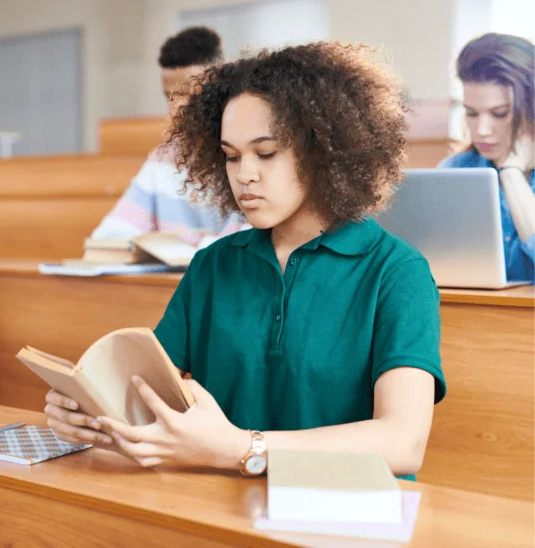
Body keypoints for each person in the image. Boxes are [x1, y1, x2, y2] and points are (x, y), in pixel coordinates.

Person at [44, 42, 446, 480]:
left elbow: (403, 444)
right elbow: (146, 400)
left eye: (266, 153)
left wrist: (242, 447)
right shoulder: (213, 266)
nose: (244, 175)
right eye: (231, 156)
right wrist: (89, 412)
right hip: (221, 510)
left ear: (324, 150)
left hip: (343, 521)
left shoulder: (395, 271)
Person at [90, 26, 247, 243]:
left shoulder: (247, 156)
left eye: (190, 95)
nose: (175, 109)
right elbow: (108, 238)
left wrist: (189, 246)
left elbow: (249, 244)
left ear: (221, 90)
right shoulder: (163, 160)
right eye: (169, 97)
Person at [439, 33, 535, 283]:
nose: (481, 130)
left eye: (500, 114)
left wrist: (512, 174)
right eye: (471, 113)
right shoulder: (453, 172)